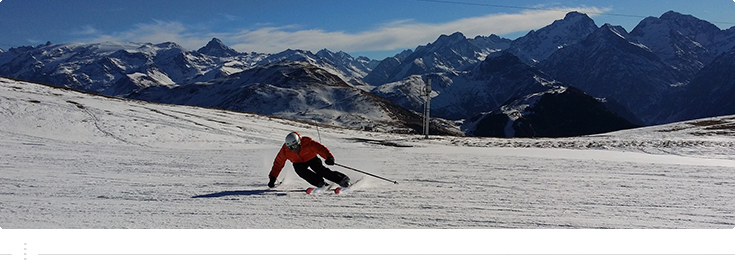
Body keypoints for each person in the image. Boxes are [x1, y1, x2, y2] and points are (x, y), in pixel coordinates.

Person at [268, 132, 350, 188]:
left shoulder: (307, 143)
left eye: (296, 146)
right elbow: (278, 164)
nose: (294, 150)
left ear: (299, 142)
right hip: (298, 163)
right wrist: (273, 178)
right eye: (291, 148)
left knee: (320, 170)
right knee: (300, 171)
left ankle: (342, 179)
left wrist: (329, 157)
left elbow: (320, 149)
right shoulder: (285, 151)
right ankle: (320, 183)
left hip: (312, 159)